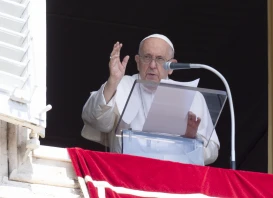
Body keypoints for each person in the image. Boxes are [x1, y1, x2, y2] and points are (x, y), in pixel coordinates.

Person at [81, 34, 220, 165]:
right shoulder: (122, 85)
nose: (152, 65)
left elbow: (212, 151)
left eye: (160, 59)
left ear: (171, 66)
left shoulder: (192, 96)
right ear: (137, 61)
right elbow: (95, 121)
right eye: (147, 57)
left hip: (173, 179)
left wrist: (191, 139)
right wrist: (112, 81)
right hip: (125, 173)